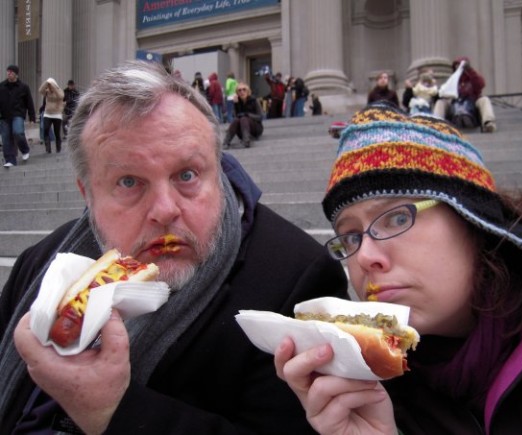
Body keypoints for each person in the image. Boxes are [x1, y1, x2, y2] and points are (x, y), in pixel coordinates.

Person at [0, 60, 348, 434]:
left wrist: (113, 411)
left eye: (187, 175)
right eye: (129, 182)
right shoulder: (40, 267)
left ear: (218, 172)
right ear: (88, 194)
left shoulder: (297, 280)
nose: (165, 211)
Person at [274, 104, 522, 434]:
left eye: (397, 218)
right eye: (350, 236)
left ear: (472, 219)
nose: (364, 257)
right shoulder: (377, 386)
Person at [434, 57, 497, 132]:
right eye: (456, 66)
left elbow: (480, 84)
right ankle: (436, 125)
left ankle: (488, 123)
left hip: (472, 102)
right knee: (440, 102)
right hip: (455, 103)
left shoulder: (472, 78)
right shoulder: (452, 80)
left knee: (484, 100)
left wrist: (470, 70)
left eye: (460, 65)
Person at [0, 65, 35, 167]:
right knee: (6, 139)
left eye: (11, 72)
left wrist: (32, 117)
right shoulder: (1, 86)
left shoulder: (23, 87)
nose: (9, 74)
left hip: (18, 114)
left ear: (16, 74)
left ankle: (24, 149)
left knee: (18, 132)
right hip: (4, 116)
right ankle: (10, 160)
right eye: (8, 72)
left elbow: (29, 102)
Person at [223, 82, 263, 149]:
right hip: (242, 131)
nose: (242, 92)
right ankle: (226, 142)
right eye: (239, 90)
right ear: (237, 93)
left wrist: (247, 115)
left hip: (255, 128)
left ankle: (246, 142)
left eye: (244, 89)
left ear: (248, 91)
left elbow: (260, 117)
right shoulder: (237, 102)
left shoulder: (254, 100)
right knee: (237, 120)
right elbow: (235, 117)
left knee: (244, 118)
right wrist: (235, 104)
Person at [39, 78, 65, 153]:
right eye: (49, 85)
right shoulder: (47, 92)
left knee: (57, 132)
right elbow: (40, 90)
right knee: (46, 129)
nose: (49, 87)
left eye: (50, 85)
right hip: (47, 113)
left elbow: (61, 96)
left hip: (57, 114)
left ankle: (58, 147)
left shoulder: (59, 91)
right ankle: (48, 148)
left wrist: (54, 88)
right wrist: (46, 83)